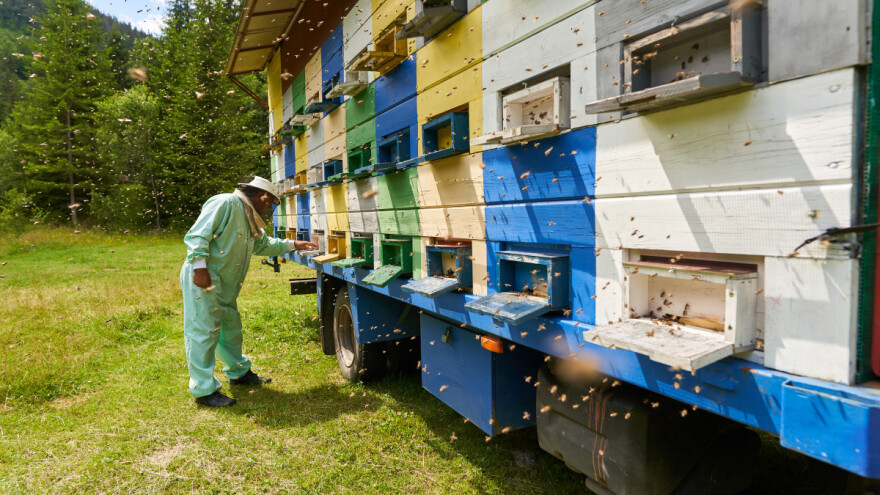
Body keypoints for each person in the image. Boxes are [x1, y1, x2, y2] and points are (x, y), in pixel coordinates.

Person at [180, 177, 317, 407]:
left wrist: (295, 244)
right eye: (270, 202)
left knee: (230, 329)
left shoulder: (248, 217)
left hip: (225, 284)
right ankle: (203, 391)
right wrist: (199, 267)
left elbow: (263, 245)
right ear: (260, 195)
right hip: (205, 280)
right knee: (203, 331)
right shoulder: (226, 203)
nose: (269, 208)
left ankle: (239, 373)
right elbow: (197, 235)